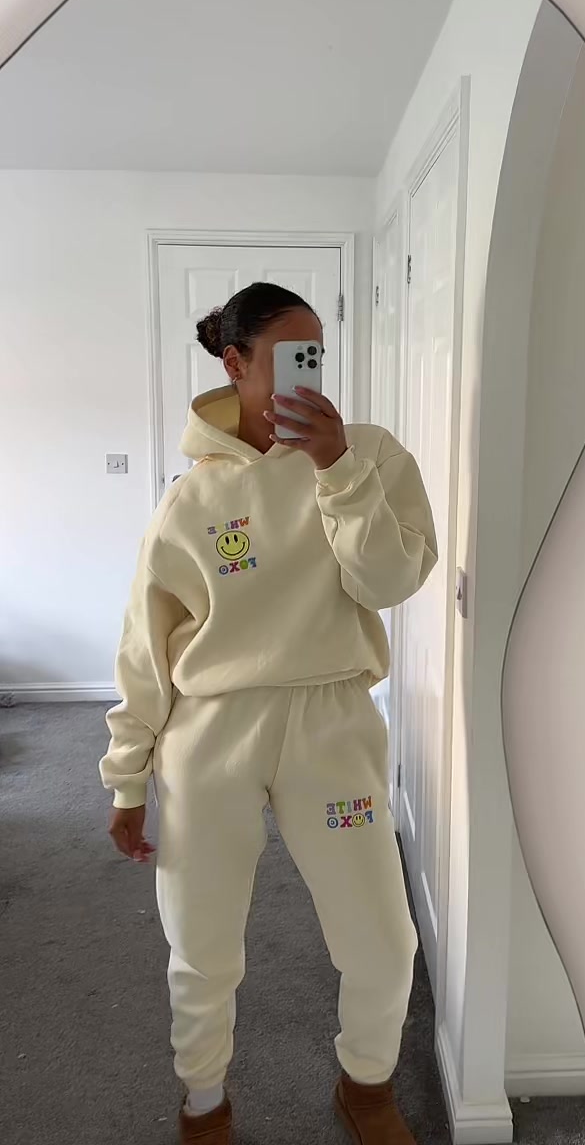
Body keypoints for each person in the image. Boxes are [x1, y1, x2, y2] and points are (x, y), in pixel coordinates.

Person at [100, 282, 437, 1145]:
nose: (308, 370)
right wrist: (127, 775)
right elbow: (145, 646)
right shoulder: (189, 501)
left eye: (316, 352)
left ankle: (367, 1087)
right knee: (203, 940)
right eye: (290, 354)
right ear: (236, 363)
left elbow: (388, 582)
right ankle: (203, 1102)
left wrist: (337, 469)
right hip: (211, 731)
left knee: (382, 937)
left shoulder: (371, 455)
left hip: (332, 722)